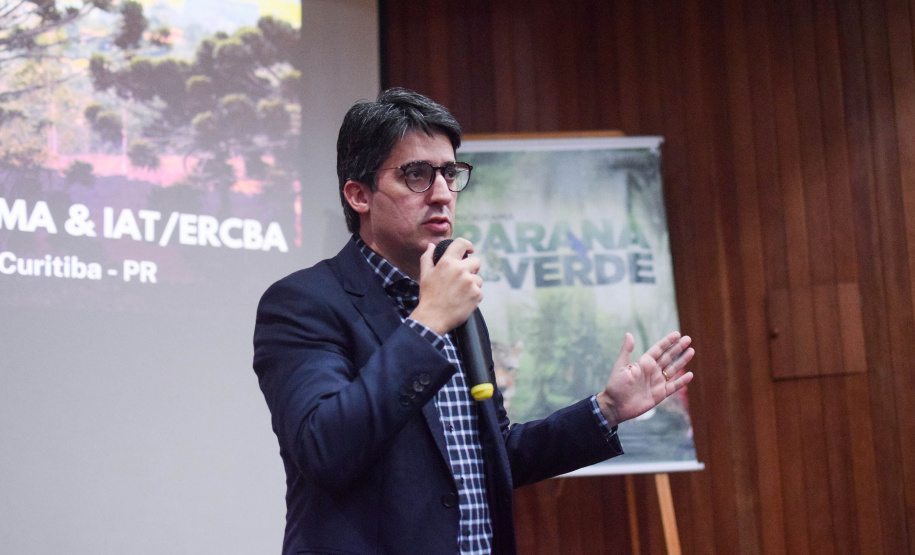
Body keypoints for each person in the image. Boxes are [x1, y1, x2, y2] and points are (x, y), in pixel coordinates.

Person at [253, 88, 695, 555]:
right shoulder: (305, 303)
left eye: (449, 174)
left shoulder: (457, 307)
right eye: (416, 175)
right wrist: (427, 323)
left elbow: (489, 453)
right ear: (359, 195)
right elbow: (323, 449)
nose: (443, 194)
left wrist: (605, 409)